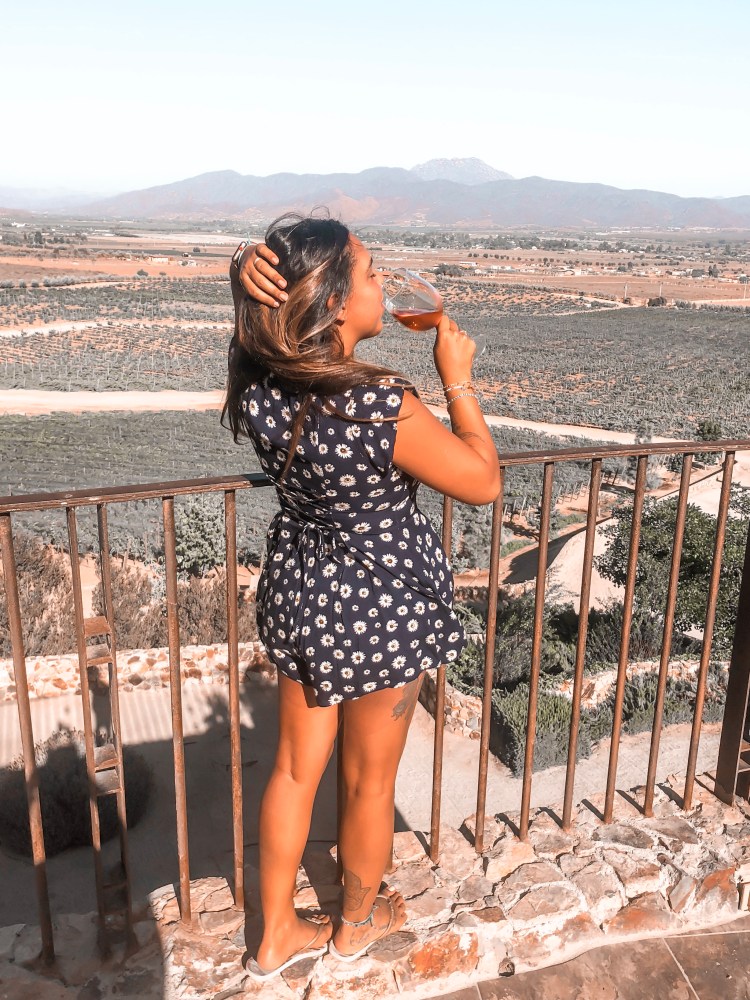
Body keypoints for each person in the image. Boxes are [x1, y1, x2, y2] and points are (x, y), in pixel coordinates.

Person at [224, 215, 500, 979]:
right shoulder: (378, 402)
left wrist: (243, 269)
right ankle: (356, 924)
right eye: (374, 274)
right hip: (383, 604)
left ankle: (274, 935)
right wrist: (458, 378)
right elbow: (482, 482)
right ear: (336, 301)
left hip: (302, 590)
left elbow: (251, 327)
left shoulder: (261, 380)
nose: (386, 287)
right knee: (368, 782)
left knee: (293, 770)